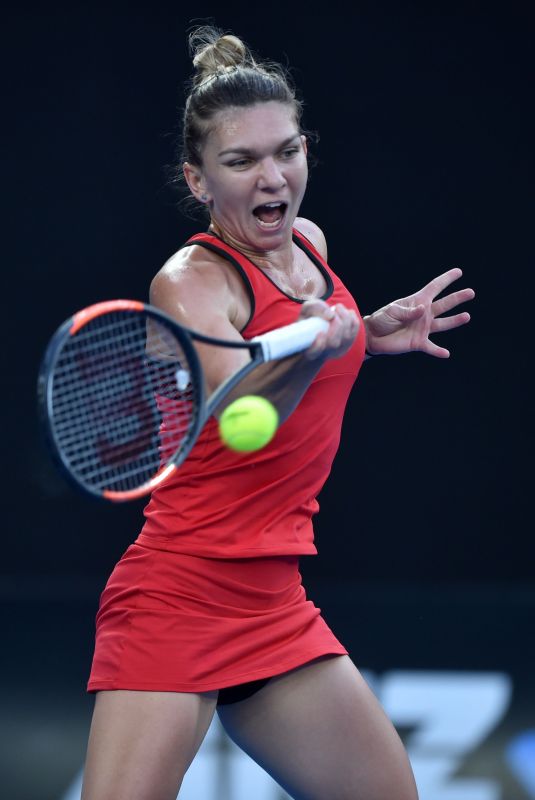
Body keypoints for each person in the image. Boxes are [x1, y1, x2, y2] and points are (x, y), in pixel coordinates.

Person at [81, 25, 474, 800]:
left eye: (286, 151)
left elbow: (312, 347)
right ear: (197, 182)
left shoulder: (308, 244)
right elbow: (238, 417)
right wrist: (315, 352)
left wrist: (366, 335)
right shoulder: (191, 284)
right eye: (242, 161)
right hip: (180, 590)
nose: (273, 177)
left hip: (273, 598)